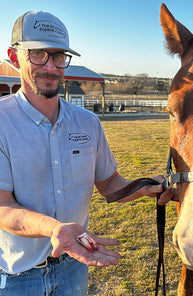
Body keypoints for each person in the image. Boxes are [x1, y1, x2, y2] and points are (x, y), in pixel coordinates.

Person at [0, 11, 174, 295]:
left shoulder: (88, 122)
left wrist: (145, 187)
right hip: (18, 275)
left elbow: (109, 185)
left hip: (73, 266)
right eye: (38, 55)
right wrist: (55, 229)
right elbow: (2, 206)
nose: (51, 67)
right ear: (14, 55)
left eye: (59, 56)